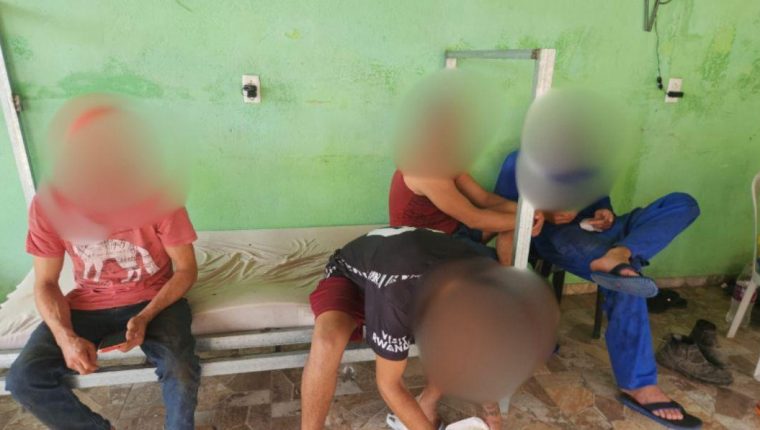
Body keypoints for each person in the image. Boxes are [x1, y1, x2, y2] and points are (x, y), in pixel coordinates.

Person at [6, 103, 201, 430]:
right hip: (87, 305)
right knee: (23, 379)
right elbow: (46, 283)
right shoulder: (50, 204)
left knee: (180, 369)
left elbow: (186, 270)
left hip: (155, 299)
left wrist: (145, 316)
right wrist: (65, 337)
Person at [494, 150, 703, 429]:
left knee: (683, 203)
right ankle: (638, 385)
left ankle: (622, 252)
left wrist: (605, 214)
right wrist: (545, 214)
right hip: (560, 236)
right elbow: (501, 212)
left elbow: (602, 204)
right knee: (627, 280)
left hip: (605, 235)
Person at [300, 226, 556, 430]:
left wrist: (491, 408)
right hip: (350, 274)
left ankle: (427, 402)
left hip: (410, 262)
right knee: (328, 339)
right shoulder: (397, 294)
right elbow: (389, 385)